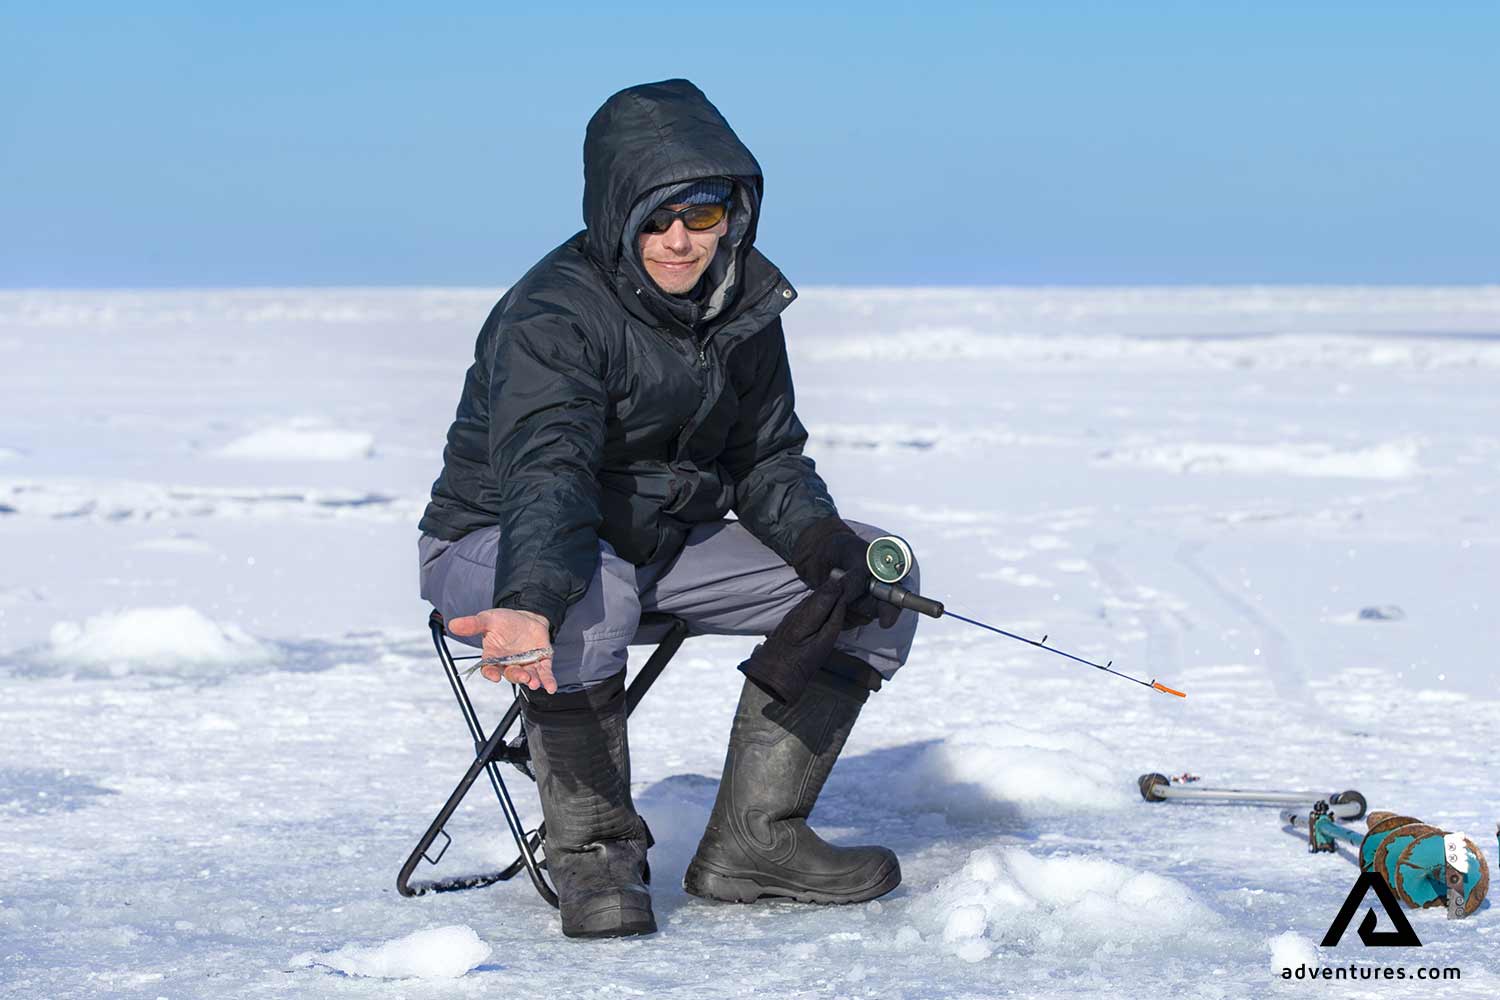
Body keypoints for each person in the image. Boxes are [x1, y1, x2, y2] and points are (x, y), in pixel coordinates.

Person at [416, 78, 920, 940]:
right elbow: (549, 472)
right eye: (656, 220)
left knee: (873, 580)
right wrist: (530, 597)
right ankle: (595, 857)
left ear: (737, 210)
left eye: (704, 213)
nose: (681, 241)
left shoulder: (743, 303)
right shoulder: (552, 314)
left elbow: (764, 455)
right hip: (501, 549)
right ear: (618, 215)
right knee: (590, 585)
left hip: (656, 544)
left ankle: (755, 842)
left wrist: (821, 543)